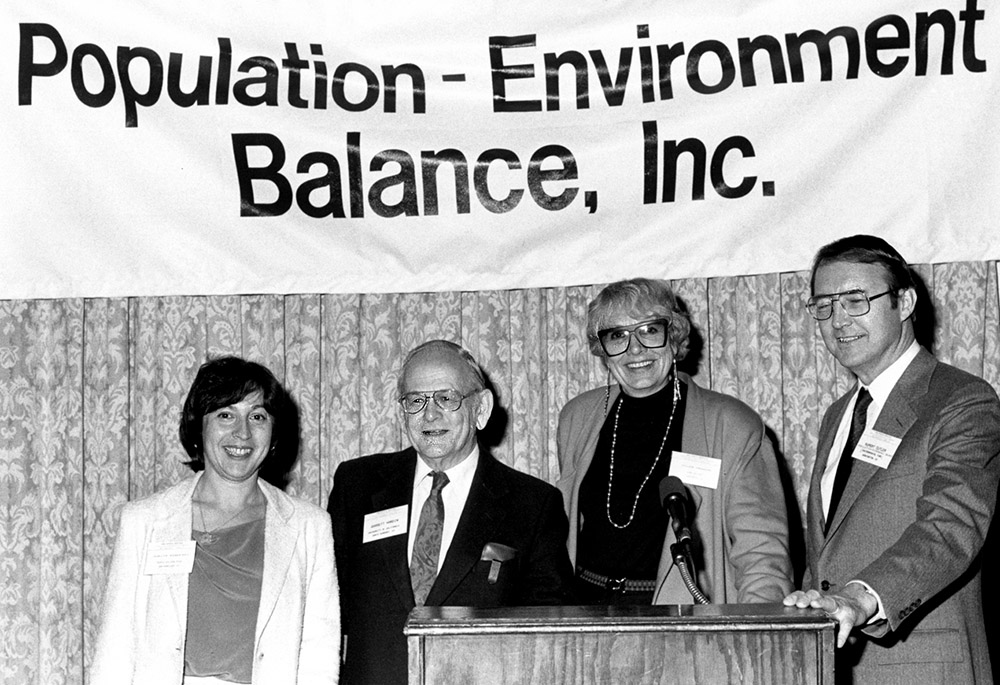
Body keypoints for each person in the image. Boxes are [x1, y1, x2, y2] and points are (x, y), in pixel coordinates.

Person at [783, 235, 1000, 684]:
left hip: (922, 669)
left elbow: (952, 527)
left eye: (856, 300)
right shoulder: (838, 414)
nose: (838, 319)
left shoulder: (962, 400)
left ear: (904, 302)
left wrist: (862, 598)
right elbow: (829, 554)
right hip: (834, 668)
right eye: (824, 305)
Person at [328, 340, 574, 685]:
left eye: (447, 398)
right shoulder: (357, 485)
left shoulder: (531, 503)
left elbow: (547, 633)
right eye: (416, 401)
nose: (430, 415)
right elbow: (324, 611)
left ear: (481, 409)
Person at [89, 356, 340, 685]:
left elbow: (318, 656)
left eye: (258, 416)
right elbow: (115, 647)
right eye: (225, 415)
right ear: (199, 426)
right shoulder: (145, 521)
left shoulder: (310, 526)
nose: (242, 432)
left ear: (274, 432)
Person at [557, 278, 793, 605]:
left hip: (680, 617)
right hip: (588, 613)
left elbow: (761, 553)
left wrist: (757, 635)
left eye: (650, 330)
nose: (635, 349)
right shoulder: (578, 418)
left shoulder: (732, 424)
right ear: (603, 350)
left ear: (674, 335)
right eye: (617, 336)